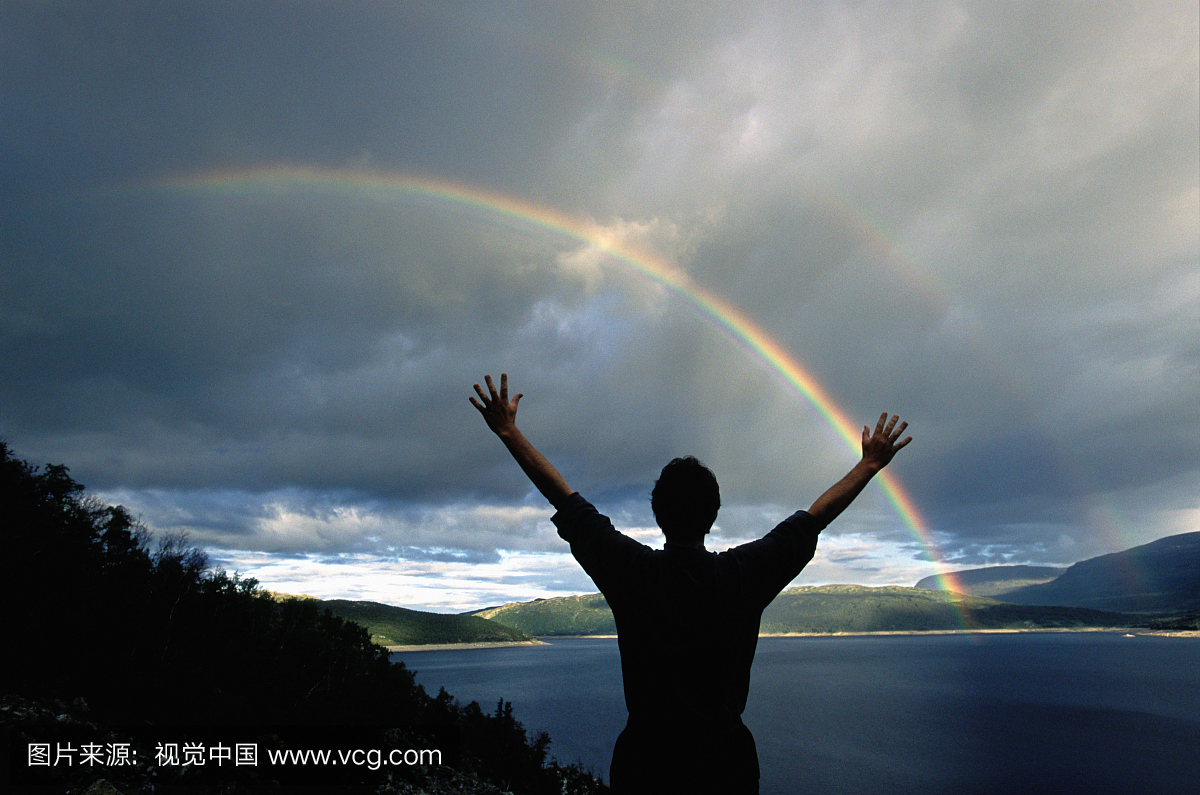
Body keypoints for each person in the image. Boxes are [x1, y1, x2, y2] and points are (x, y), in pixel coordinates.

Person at [470, 373, 912, 794]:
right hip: (726, 764)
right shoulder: (744, 574)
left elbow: (565, 500)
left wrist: (509, 432)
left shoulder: (632, 572)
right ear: (713, 514)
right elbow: (814, 519)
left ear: (657, 513)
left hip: (646, 762)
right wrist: (870, 464)